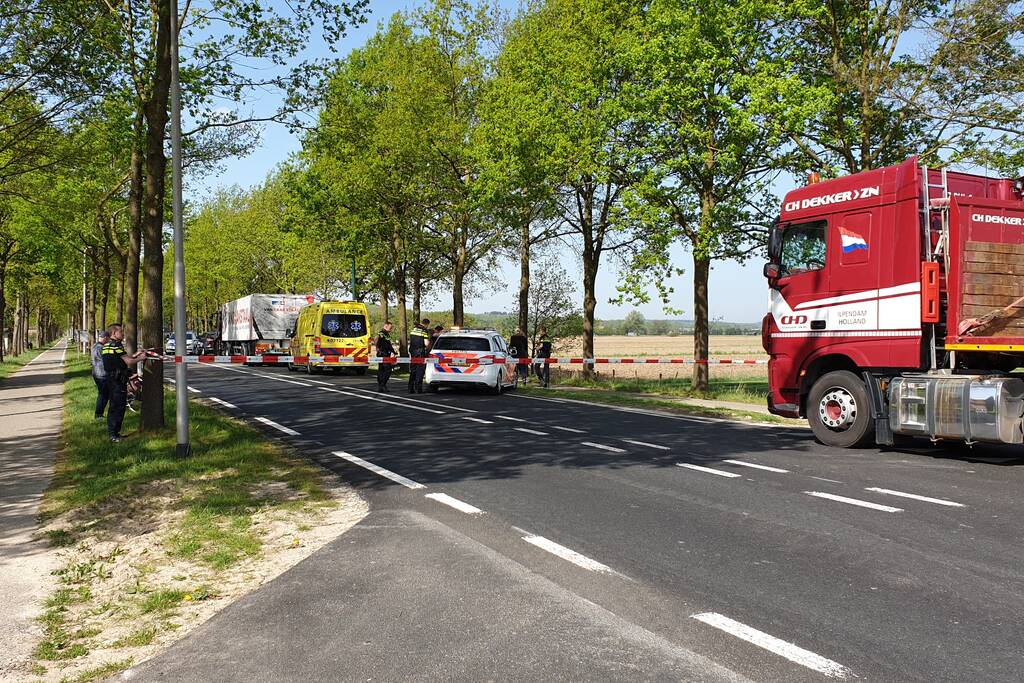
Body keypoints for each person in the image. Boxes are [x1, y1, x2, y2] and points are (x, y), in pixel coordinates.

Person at [102, 323, 146, 442]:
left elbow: (119, 359)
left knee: (113, 406)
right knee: (118, 407)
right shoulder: (116, 346)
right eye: (120, 332)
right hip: (117, 381)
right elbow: (128, 361)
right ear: (114, 333)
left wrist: (134, 355)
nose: (123, 333)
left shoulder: (107, 346)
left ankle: (113, 433)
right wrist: (141, 358)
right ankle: (114, 435)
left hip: (111, 380)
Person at [408, 318, 430, 393]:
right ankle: (418, 388)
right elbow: (426, 343)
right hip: (420, 351)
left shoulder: (413, 329)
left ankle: (410, 387)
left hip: (412, 350)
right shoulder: (424, 330)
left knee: (413, 369)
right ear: (426, 324)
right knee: (420, 370)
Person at [91, 330, 110, 419]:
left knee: (103, 394)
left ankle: (99, 413)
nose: (108, 340)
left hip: (97, 373)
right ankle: (98, 414)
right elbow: (105, 361)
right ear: (105, 337)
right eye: (108, 338)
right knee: (103, 394)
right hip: (101, 375)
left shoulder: (95, 345)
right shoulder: (101, 348)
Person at [375, 321, 397, 392]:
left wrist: (393, 351)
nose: (391, 329)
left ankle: (381, 386)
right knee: (387, 370)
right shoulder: (381, 333)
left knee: (382, 370)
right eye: (390, 328)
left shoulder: (387, 334)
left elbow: (389, 345)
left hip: (387, 354)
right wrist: (378, 349)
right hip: (382, 354)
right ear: (386, 326)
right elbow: (377, 341)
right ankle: (382, 385)